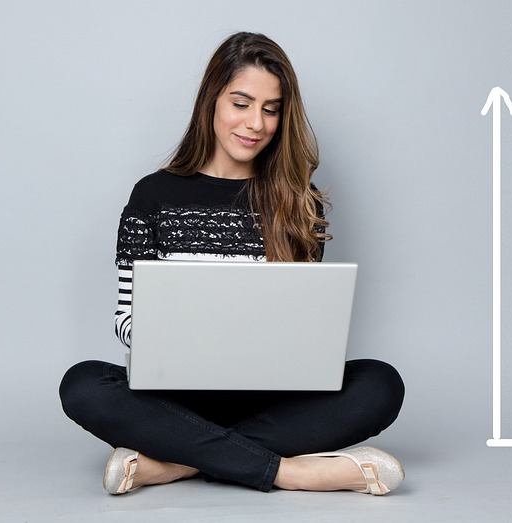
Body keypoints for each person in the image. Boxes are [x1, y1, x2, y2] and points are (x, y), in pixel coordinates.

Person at [58, 32, 405, 495]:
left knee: (381, 384)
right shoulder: (152, 195)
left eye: (270, 108)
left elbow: (307, 326)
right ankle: (289, 471)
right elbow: (125, 317)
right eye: (241, 103)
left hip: (271, 399)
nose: (255, 123)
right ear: (211, 101)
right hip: (172, 397)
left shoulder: (301, 203)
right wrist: (177, 336)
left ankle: (176, 461)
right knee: (82, 384)